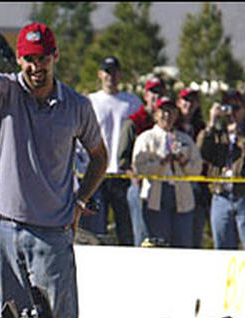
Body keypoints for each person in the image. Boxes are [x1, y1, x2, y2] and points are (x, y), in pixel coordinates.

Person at [0, 22, 107, 318]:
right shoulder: (6, 93)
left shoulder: (77, 106)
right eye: (30, 59)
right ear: (19, 60)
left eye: (43, 58)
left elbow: (100, 157)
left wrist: (81, 200)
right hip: (5, 231)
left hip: (53, 234)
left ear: (55, 57)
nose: (36, 67)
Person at [79, 56, 142, 246]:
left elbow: (140, 137)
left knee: (126, 230)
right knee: (94, 230)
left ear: (120, 75)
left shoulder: (132, 102)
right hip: (96, 173)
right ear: (100, 74)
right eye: (107, 72)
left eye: (114, 72)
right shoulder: (90, 101)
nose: (110, 76)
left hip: (123, 175)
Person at [197, 90, 245, 250]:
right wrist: (211, 124)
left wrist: (241, 138)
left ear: (244, 109)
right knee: (222, 250)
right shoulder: (217, 134)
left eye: (236, 108)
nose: (232, 113)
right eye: (228, 108)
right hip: (221, 196)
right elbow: (201, 153)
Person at [133, 97, 202, 248]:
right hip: (155, 196)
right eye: (163, 112)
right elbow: (139, 167)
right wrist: (161, 162)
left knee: (182, 243)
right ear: (156, 115)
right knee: (157, 242)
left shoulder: (185, 139)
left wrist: (183, 161)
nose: (167, 116)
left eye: (171, 112)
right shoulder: (146, 138)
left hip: (181, 195)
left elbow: (197, 168)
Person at [118, 77, 167, 246]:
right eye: (153, 92)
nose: (156, 96)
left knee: (162, 239)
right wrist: (134, 177)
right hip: (140, 187)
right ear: (146, 95)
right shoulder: (134, 122)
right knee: (143, 238)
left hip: (163, 188)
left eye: (160, 92)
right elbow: (122, 160)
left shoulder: (170, 122)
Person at [175, 88, 208, 248]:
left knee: (195, 237)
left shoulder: (201, 127)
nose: (189, 104)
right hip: (175, 187)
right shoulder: (172, 127)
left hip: (197, 187)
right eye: (185, 100)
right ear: (178, 103)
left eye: (193, 100)